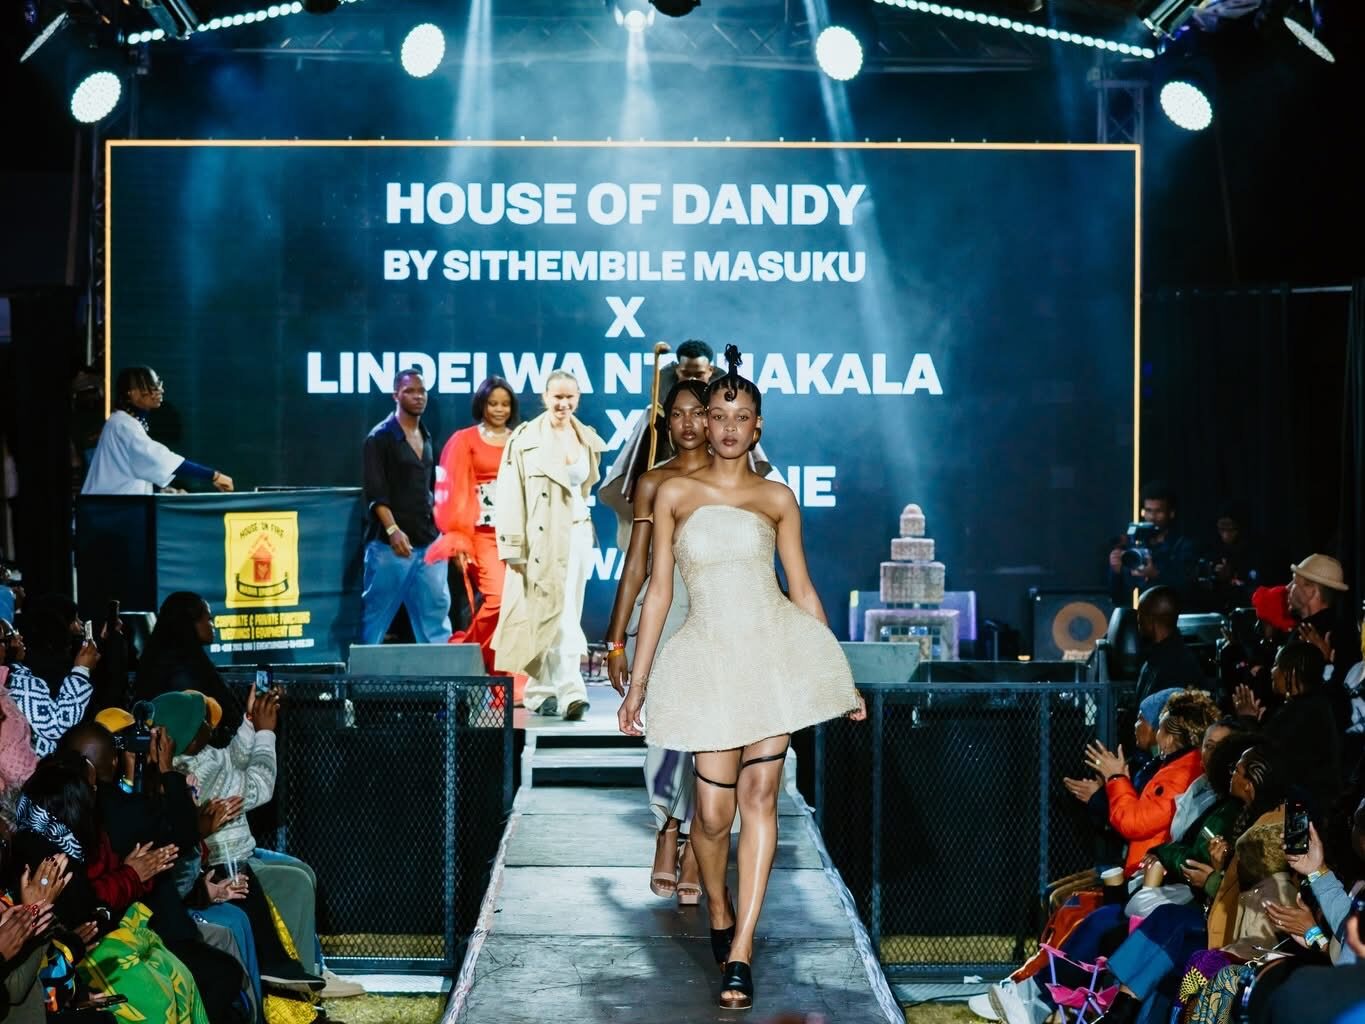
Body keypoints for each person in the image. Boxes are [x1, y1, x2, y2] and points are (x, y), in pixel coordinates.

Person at [618, 346, 867, 1011]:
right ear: (705, 421)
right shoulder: (674, 493)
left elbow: (802, 590)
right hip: (706, 659)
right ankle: (720, 908)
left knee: (760, 798)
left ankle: (741, 951)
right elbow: (659, 592)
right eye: (719, 415)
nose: (728, 427)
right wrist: (638, 685)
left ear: (758, 427)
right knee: (711, 816)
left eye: (742, 417)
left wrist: (838, 675)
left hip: (771, 656)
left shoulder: (776, 497)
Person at [58, 722, 249, 1024]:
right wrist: (166, 769)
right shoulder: (115, 808)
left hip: (119, 928)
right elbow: (182, 833)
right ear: (112, 761)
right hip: (121, 936)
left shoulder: (57, 802)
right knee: (222, 973)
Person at [604, 379, 710, 904]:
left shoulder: (736, 477)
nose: (688, 423)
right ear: (665, 422)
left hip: (719, 612)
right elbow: (635, 565)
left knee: (712, 735)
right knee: (667, 729)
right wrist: (615, 642)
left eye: (698, 412)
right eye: (678, 414)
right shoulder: (654, 480)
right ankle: (667, 828)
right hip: (663, 614)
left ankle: (694, 845)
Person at [7, 751, 205, 1023]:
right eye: (91, 789)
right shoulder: (51, 857)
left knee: (177, 973)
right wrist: (129, 878)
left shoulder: (58, 839)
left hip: (80, 948)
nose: (97, 794)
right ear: (76, 802)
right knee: (156, 997)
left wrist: (127, 880)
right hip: (66, 961)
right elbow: (79, 915)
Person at [493, 370, 605, 721]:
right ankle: (572, 691)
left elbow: (583, 488)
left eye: (570, 397)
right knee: (561, 615)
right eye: (557, 397)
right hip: (543, 539)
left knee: (562, 611)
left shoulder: (585, 436)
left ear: (578, 399)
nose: (563, 404)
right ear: (545, 397)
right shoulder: (526, 439)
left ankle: (540, 692)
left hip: (578, 535)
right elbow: (509, 493)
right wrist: (513, 546)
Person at [599, 340, 771, 552]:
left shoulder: (727, 414)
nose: (692, 380)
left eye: (698, 374)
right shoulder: (655, 415)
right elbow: (638, 469)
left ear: (710, 371)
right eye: (686, 374)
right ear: (677, 371)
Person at [426, 376, 519, 673]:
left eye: (505, 404)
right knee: (498, 600)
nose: (499, 410)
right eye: (493, 403)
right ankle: (464, 655)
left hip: (517, 534)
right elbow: (452, 493)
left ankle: (500, 673)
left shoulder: (520, 440)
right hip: (482, 535)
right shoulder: (464, 440)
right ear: (482, 405)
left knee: (516, 608)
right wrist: (459, 539)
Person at [360, 368, 452, 645]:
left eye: (421, 391)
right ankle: (362, 673)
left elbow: (428, 489)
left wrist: (440, 533)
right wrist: (393, 530)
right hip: (390, 547)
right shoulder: (379, 437)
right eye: (409, 391)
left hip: (428, 542)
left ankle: (443, 673)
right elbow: (376, 493)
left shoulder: (425, 435)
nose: (417, 396)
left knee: (436, 618)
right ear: (395, 395)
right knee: (375, 618)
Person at [82, 366, 234, 495]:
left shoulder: (125, 422)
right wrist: (214, 476)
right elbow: (160, 458)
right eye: (152, 386)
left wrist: (159, 489)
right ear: (132, 393)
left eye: (158, 384)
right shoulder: (123, 425)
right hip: (109, 510)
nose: (160, 390)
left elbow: (134, 468)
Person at [1233, 641, 1343, 816]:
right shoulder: (1316, 703)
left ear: (1291, 671)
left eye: (1276, 665)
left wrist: (1247, 720)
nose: (1271, 671)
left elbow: (1264, 759)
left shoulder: (1303, 712)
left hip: (1304, 809)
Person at [132, 592, 243, 747]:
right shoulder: (187, 669)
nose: (213, 625)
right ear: (190, 622)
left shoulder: (158, 660)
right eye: (208, 619)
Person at [1, 614, 96, 758]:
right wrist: (81, 671)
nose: (19, 636)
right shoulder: (17, 683)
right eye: (12, 634)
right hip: (34, 767)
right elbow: (55, 725)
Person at [1107, 481, 1197, 605]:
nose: (1152, 517)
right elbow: (1116, 595)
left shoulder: (1183, 546)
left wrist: (1156, 575)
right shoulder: (1133, 545)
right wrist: (1116, 571)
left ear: (1171, 513)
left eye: (1158, 511)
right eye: (1148, 511)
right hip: (1137, 612)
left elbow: (1188, 589)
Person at [1133, 585, 1205, 706]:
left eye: (1140, 613)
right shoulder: (1157, 658)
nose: (1137, 619)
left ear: (1151, 619)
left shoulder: (1178, 667)